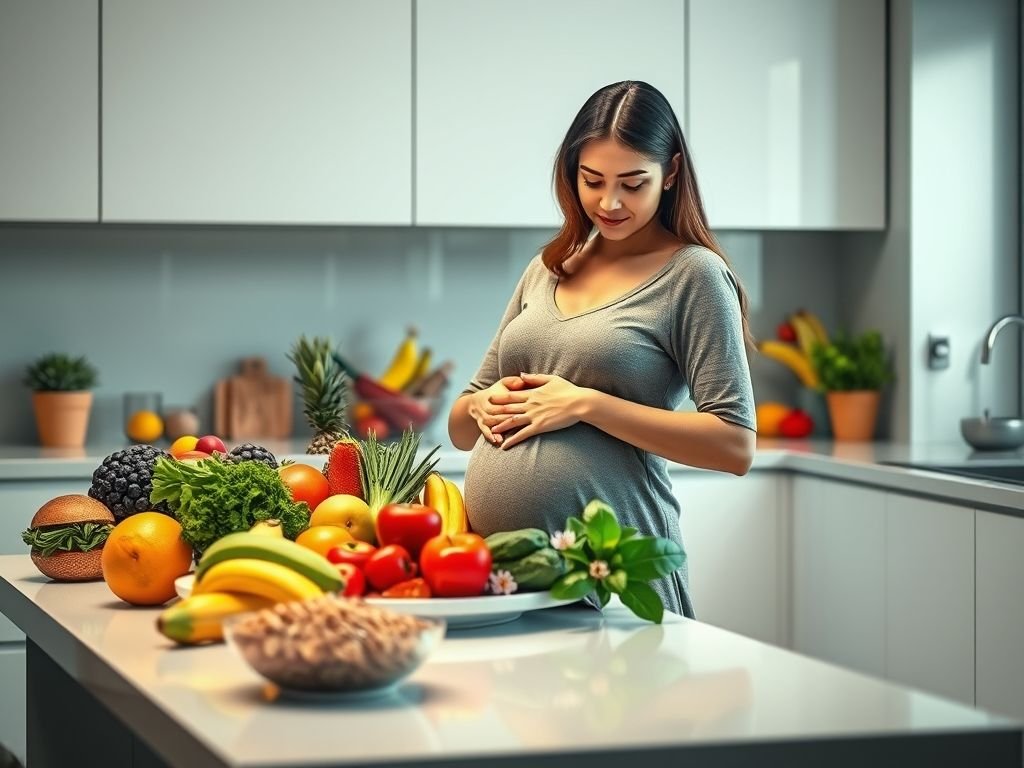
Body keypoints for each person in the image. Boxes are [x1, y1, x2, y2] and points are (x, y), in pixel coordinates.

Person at [447, 80, 756, 618]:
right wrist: (478, 404)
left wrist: (584, 404)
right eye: (593, 181)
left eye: (633, 184)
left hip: (612, 582)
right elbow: (460, 427)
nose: (609, 203)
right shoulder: (549, 267)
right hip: (502, 587)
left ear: (672, 173)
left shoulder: (694, 276)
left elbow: (734, 445)